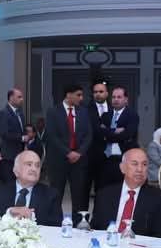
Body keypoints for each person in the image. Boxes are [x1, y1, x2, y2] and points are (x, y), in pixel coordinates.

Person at [91, 148, 161, 237]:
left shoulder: (158, 198)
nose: (140, 169)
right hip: (107, 242)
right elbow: (94, 230)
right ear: (122, 168)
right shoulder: (104, 194)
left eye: (144, 164)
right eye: (135, 164)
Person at [44, 83, 93, 213]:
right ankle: (55, 220)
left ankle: (78, 222)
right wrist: (68, 152)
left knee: (79, 196)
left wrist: (79, 153)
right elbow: (52, 136)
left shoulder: (84, 111)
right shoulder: (53, 112)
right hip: (58, 160)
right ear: (68, 95)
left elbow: (89, 134)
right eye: (78, 95)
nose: (81, 98)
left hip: (79, 161)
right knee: (56, 194)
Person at [0, 150, 63, 227]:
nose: (34, 169)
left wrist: (31, 216)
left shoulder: (51, 195)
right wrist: (9, 212)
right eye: (29, 164)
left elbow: (56, 226)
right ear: (16, 170)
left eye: (37, 166)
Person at [98, 85, 139, 188]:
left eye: (119, 97)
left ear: (126, 99)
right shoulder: (105, 115)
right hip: (105, 159)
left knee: (121, 189)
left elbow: (127, 135)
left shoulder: (132, 115)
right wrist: (114, 131)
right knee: (104, 190)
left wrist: (107, 133)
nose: (116, 99)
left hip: (123, 159)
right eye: (113, 97)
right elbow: (100, 133)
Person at [0, 88, 27, 185]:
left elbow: (22, 130)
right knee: (9, 184)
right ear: (11, 98)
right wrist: (21, 138)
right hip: (9, 156)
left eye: (22, 97)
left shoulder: (20, 113)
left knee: (19, 183)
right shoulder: (4, 113)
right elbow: (4, 134)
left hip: (19, 155)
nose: (22, 99)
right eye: (19, 97)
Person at [87, 81, 110, 196]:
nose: (98, 94)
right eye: (95, 92)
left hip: (111, 153)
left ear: (107, 93)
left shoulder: (114, 108)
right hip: (92, 152)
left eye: (101, 91)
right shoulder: (86, 109)